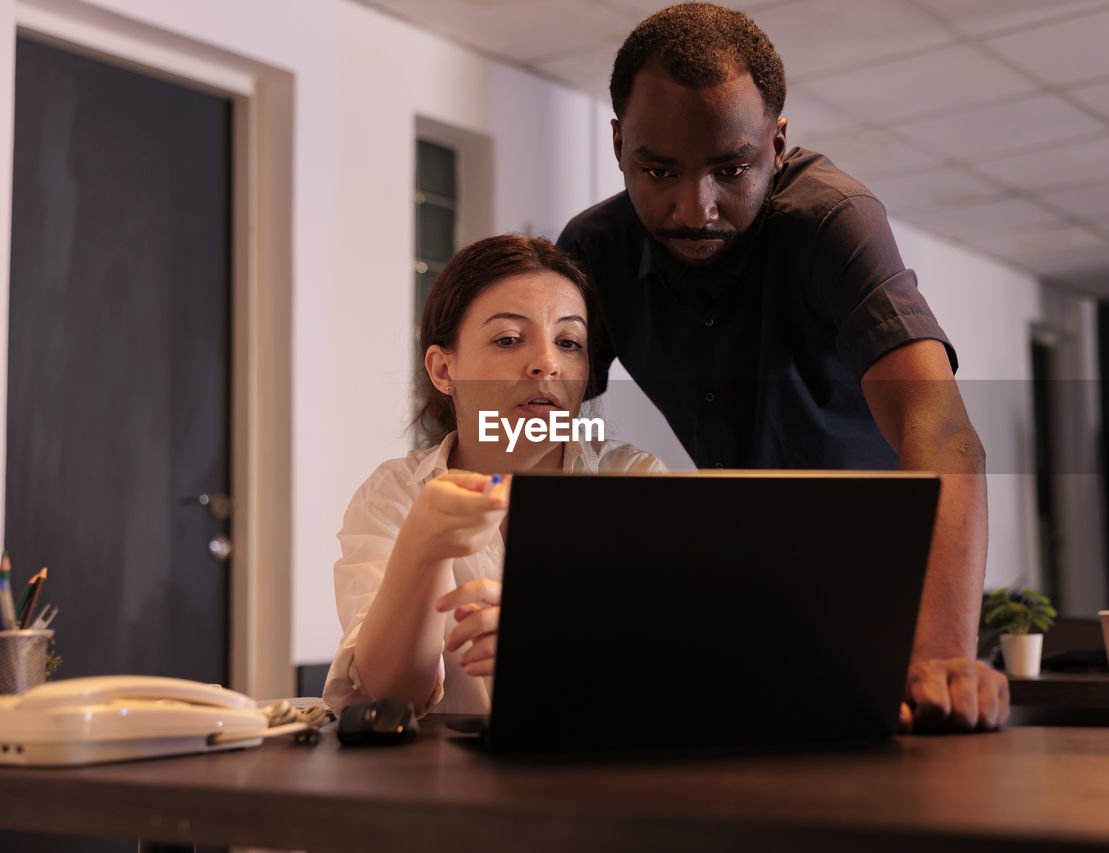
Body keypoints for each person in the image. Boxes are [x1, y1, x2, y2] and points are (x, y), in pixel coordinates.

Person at [557, 3, 1008, 732]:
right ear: (617, 146)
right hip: (751, 594)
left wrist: (944, 657)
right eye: (658, 169)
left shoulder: (835, 222)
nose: (693, 207)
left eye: (731, 169)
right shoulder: (596, 249)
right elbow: (530, 425)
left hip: (896, 596)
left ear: (777, 142)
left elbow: (945, 431)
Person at [323, 235, 665, 716]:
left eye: (569, 342)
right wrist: (424, 546)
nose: (548, 362)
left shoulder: (633, 481)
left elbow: (676, 666)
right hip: (437, 786)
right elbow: (389, 695)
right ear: (444, 370)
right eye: (508, 339)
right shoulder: (394, 495)